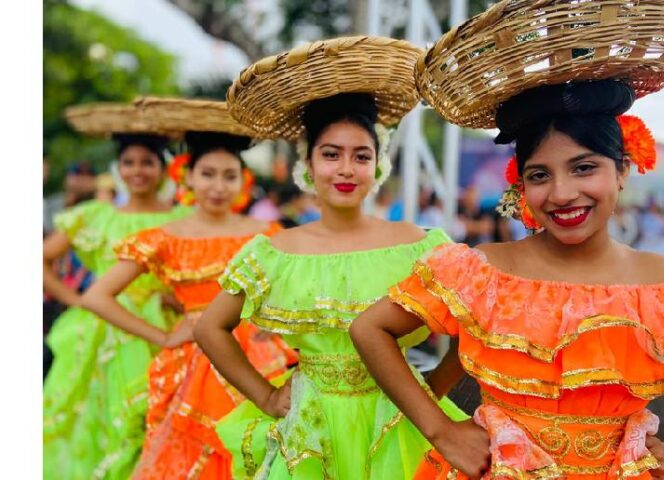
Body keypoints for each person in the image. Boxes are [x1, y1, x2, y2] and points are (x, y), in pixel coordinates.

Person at [350, 3, 664, 478]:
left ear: (623, 171)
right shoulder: (480, 271)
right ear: (520, 186)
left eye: (584, 167)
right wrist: (441, 430)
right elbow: (369, 329)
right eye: (540, 175)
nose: (563, 193)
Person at [194, 36, 467, 479]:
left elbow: (470, 325)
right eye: (330, 154)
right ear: (308, 164)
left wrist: (434, 388)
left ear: (378, 166)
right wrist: (264, 397)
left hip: (401, 421)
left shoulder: (423, 245)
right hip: (310, 426)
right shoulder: (274, 252)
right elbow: (210, 327)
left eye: (361, 155)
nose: (345, 169)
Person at [83, 126, 298, 479]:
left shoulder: (267, 233)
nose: (218, 186)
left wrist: (271, 326)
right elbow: (96, 296)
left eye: (229, 176)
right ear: (188, 178)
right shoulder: (167, 237)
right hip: (195, 362)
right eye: (208, 174)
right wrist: (162, 337)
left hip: (260, 359)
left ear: (242, 181)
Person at [43, 127, 192, 479]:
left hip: (163, 328)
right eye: (128, 162)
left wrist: (176, 299)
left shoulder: (180, 219)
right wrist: (77, 300)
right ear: (117, 168)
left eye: (147, 162)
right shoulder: (98, 215)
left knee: (154, 417)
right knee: (97, 414)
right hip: (102, 330)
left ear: (163, 169)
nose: (137, 171)